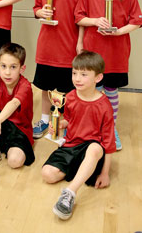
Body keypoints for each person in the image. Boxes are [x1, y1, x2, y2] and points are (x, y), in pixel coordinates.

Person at [75, 0, 142, 150]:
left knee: (111, 90)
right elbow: (79, 17)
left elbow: (136, 20)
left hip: (116, 52)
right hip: (94, 50)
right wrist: (95, 21)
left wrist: (118, 31)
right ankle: (92, 128)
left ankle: (110, 129)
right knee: (94, 90)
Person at [41, 51, 116, 221]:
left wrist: (105, 173)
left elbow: (109, 142)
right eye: (74, 73)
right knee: (47, 174)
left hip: (92, 150)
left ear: (98, 78)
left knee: (95, 148)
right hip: (71, 146)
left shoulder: (104, 106)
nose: (77, 78)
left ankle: (70, 192)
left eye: (83, 74)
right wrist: (60, 124)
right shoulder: (71, 97)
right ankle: (82, 171)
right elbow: (68, 119)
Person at [32, 0, 84, 139]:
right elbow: (36, 8)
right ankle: (45, 119)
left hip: (68, 48)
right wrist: (40, 13)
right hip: (46, 48)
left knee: (68, 91)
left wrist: (80, 43)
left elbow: (81, 18)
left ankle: (68, 122)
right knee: (45, 87)